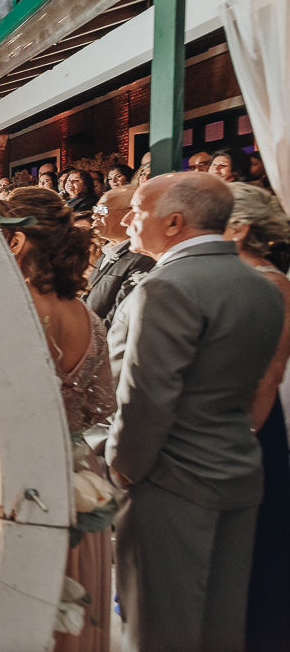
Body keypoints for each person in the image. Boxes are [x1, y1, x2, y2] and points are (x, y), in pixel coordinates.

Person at [106, 172, 284, 652]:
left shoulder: (168, 285)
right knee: (220, 627)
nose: (128, 221)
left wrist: (122, 467)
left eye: (138, 211)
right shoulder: (262, 285)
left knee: (160, 629)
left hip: (169, 480)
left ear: (174, 222)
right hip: (236, 466)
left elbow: (147, 396)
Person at [0, 188, 115, 652]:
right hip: (79, 477)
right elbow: (101, 407)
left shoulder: (13, 308)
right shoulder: (86, 315)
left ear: (18, 240)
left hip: (23, 481)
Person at [222, 183, 290, 651]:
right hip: (229, 419)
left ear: (240, 229)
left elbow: (269, 374)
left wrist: (243, 439)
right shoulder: (233, 277)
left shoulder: (272, 283)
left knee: (256, 537)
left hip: (253, 424)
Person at [85, 186, 154, 327]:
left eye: (102, 210)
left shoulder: (143, 257)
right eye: (95, 209)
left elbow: (121, 318)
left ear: (130, 213)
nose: (95, 215)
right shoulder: (105, 253)